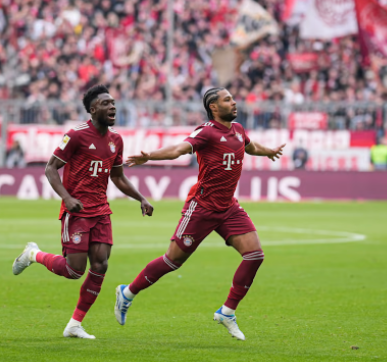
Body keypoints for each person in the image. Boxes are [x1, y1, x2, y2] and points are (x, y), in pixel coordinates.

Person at [115, 87, 285, 341]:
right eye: (227, 99)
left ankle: (227, 312)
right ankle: (127, 293)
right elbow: (178, 150)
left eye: (232, 97)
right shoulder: (207, 132)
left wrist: (269, 151)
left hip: (228, 207)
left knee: (254, 255)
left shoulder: (237, 129)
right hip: (202, 207)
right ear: (214, 107)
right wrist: (149, 156)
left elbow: (250, 147)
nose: (234, 101)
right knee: (173, 261)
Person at [11, 84, 153, 339]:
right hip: (76, 212)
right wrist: (67, 197)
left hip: (101, 211)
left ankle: (75, 324)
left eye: (113, 103)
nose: (113, 107)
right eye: (106, 104)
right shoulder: (76, 135)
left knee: (101, 264)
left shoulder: (116, 140)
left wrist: (140, 197)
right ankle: (32, 254)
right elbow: (50, 168)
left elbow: (117, 176)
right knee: (74, 270)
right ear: (92, 109)